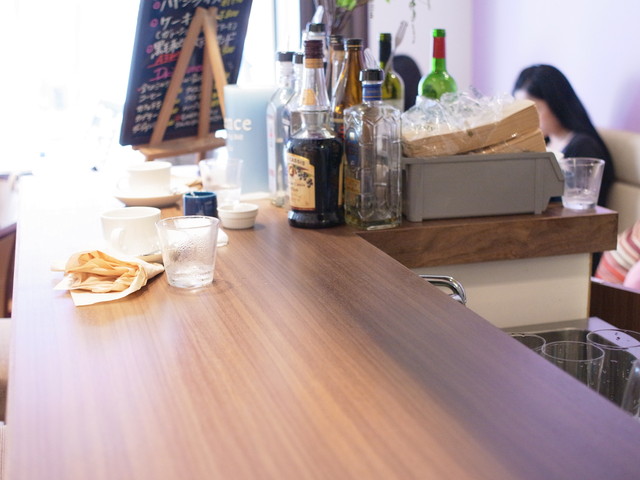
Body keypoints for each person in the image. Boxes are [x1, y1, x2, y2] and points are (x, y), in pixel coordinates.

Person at [513, 64, 614, 207]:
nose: (527, 119)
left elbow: (574, 208)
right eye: (522, 112)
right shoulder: (542, 142)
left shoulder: (583, 147)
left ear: (556, 104)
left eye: (534, 110)